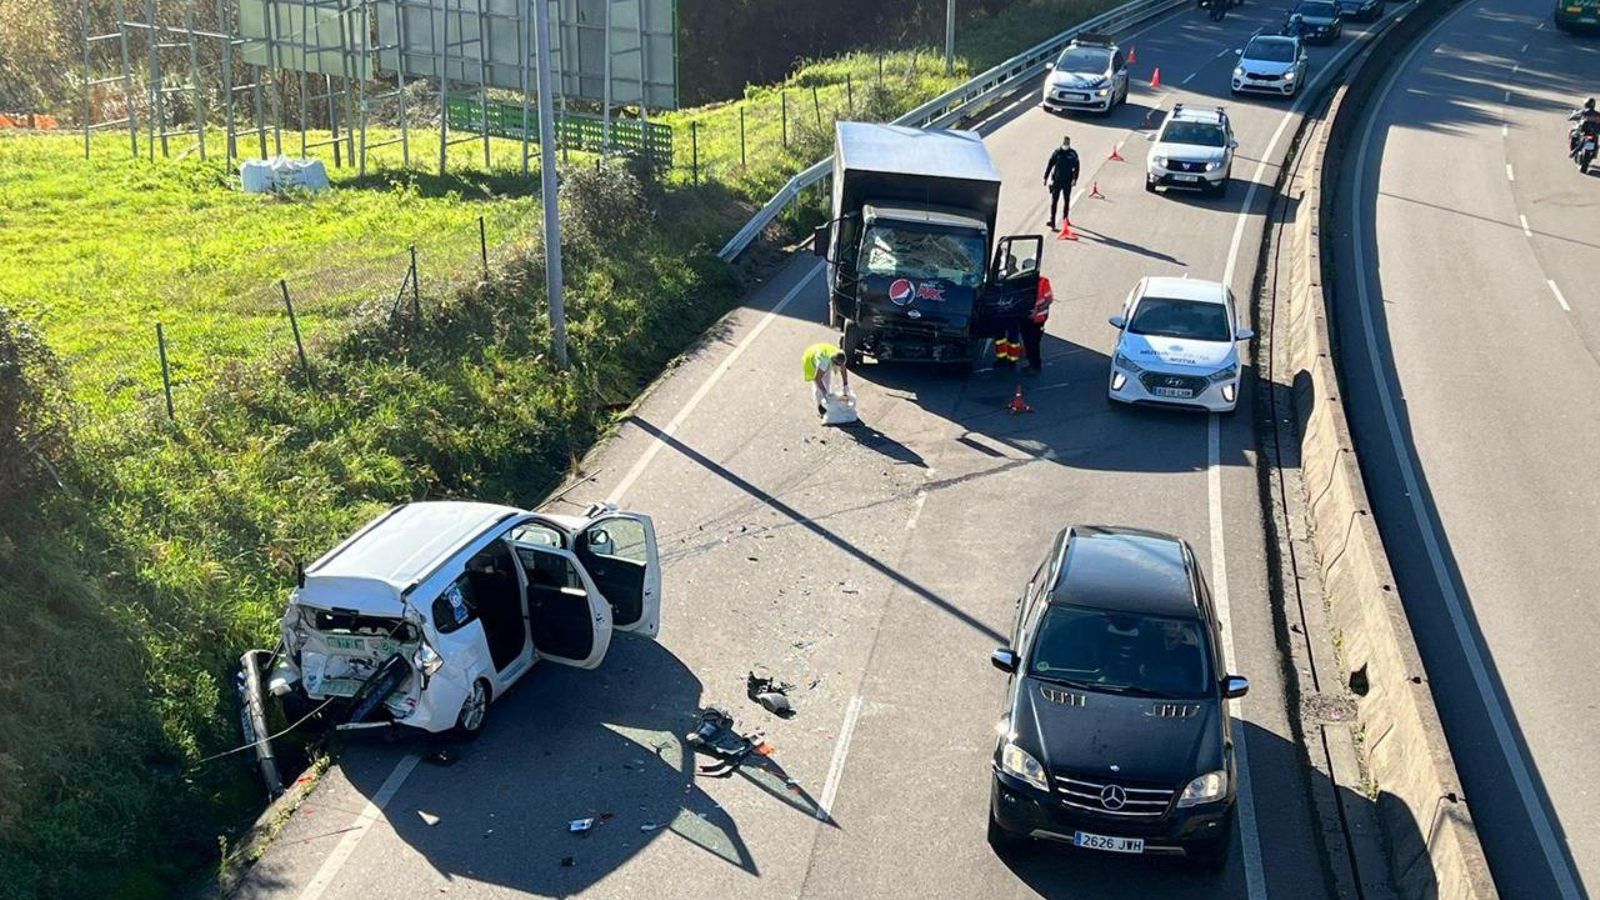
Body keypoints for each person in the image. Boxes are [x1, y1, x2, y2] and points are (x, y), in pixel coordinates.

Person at [1020, 274, 1055, 375]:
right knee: (1027, 339)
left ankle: (1035, 365)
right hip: (1026, 317)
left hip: (1038, 318)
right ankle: (1030, 358)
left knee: (1034, 342)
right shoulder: (1024, 282)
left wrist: (1037, 310)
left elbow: (1049, 300)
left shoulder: (1043, 282)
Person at [1043, 135, 1080, 231]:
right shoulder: (1057, 153)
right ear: (1062, 143)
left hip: (1067, 181)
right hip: (1057, 181)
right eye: (1064, 143)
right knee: (1054, 202)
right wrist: (1045, 177)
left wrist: (1075, 179)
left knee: (1066, 201)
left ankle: (1065, 220)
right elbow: (1050, 164)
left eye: (1067, 144)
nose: (1066, 145)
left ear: (1069, 144)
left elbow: (1077, 167)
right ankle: (1052, 221)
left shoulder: (1072, 154)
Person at [802, 342, 849, 415]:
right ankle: (820, 408)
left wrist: (845, 385)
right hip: (811, 357)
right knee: (819, 389)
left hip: (822, 351)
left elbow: (843, 370)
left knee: (827, 383)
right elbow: (817, 379)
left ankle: (827, 405)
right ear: (833, 362)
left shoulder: (840, 356)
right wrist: (824, 392)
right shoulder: (823, 362)